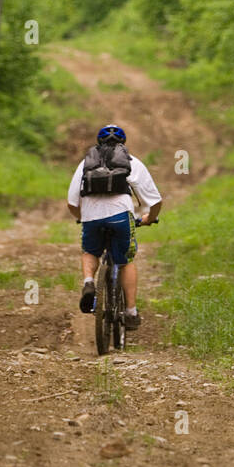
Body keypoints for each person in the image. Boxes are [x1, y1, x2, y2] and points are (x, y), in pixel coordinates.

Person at [67, 124, 162, 329]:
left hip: (91, 217)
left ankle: (89, 282)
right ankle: (130, 312)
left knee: (90, 252)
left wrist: (81, 217)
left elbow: (71, 203)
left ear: (99, 142)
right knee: (126, 261)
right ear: (123, 143)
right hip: (120, 216)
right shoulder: (132, 162)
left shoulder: (86, 163)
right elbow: (155, 201)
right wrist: (149, 218)